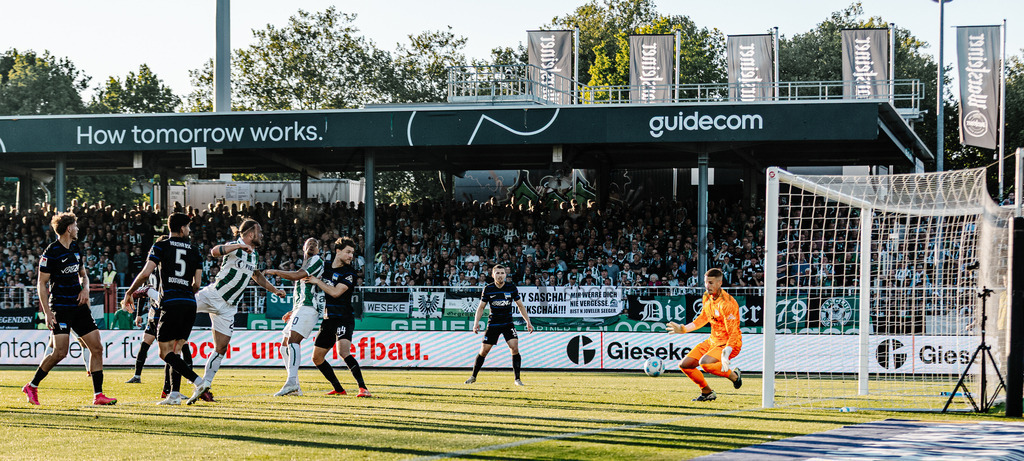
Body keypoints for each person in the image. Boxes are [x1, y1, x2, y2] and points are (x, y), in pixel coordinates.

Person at [186, 219, 286, 405]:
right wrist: (239, 245)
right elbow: (214, 251)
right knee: (182, 307)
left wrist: (274, 290)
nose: (262, 235)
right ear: (249, 234)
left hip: (229, 307)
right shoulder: (235, 246)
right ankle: (156, 302)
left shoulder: (254, 255)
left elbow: (256, 276)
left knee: (221, 347)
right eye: (259, 231)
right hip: (214, 295)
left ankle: (204, 384)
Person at [22, 212, 117, 405]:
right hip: (60, 307)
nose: (78, 229)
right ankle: (32, 386)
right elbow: (41, 284)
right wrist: (47, 313)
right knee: (60, 352)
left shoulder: (75, 248)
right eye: (76, 226)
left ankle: (98, 396)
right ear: (68, 229)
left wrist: (85, 288)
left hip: (79, 306)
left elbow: (84, 274)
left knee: (97, 347)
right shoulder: (51, 252)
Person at [122, 213, 205, 405]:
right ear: (182, 228)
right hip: (189, 303)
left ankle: (198, 381)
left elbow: (145, 274)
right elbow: (197, 283)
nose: (189, 230)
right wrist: (185, 293)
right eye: (188, 227)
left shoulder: (160, 245)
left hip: (171, 302)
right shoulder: (195, 250)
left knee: (164, 352)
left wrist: (129, 292)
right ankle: (174, 395)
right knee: (176, 351)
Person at [305, 237, 371, 398]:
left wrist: (316, 281)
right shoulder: (325, 266)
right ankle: (339, 388)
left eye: (352, 253)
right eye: (348, 252)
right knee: (317, 357)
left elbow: (335, 293)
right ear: (338, 251)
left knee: (343, 351)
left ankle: (363, 388)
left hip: (344, 317)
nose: (351, 256)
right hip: (328, 318)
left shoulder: (350, 273)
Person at [667, 268, 743, 401]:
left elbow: (733, 332)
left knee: (705, 363)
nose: (708, 286)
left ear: (720, 283)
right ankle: (707, 392)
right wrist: (684, 328)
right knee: (685, 365)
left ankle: (734, 376)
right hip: (713, 341)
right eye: (706, 282)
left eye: (711, 283)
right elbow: (703, 318)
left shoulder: (727, 303)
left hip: (729, 343)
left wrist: (728, 350)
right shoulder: (707, 297)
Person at [264, 237, 324, 396]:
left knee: (293, 341)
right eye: (309, 243)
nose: (312, 245)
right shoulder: (305, 264)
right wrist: (293, 310)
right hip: (300, 307)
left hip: (309, 307)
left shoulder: (316, 260)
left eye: (315, 244)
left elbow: (297, 275)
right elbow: (301, 290)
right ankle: (295, 385)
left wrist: (276, 271)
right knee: (284, 346)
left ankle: (291, 382)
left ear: (318, 250)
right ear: (303, 248)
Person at [124, 281, 196, 400]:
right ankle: (141, 377)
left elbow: (144, 291)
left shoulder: (156, 270)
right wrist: (139, 314)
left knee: (176, 348)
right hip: (160, 314)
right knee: (173, 349)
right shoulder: (161, 271)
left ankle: (174, 386)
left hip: (162, 313)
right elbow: (143, 292)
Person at [465, 264, 534, 386]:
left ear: (505, 275)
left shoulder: (511, 287)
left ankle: (517, 379)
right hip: (493, 324)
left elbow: (520, 306)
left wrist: (528, 322)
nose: (500, 275)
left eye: (502, 273)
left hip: (508, 323)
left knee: (514, 347)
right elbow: (481, 307)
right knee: (484, 351)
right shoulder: (488, 289)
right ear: (493, 275)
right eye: (497, 273)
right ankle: (473, 376)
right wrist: (476, 323)